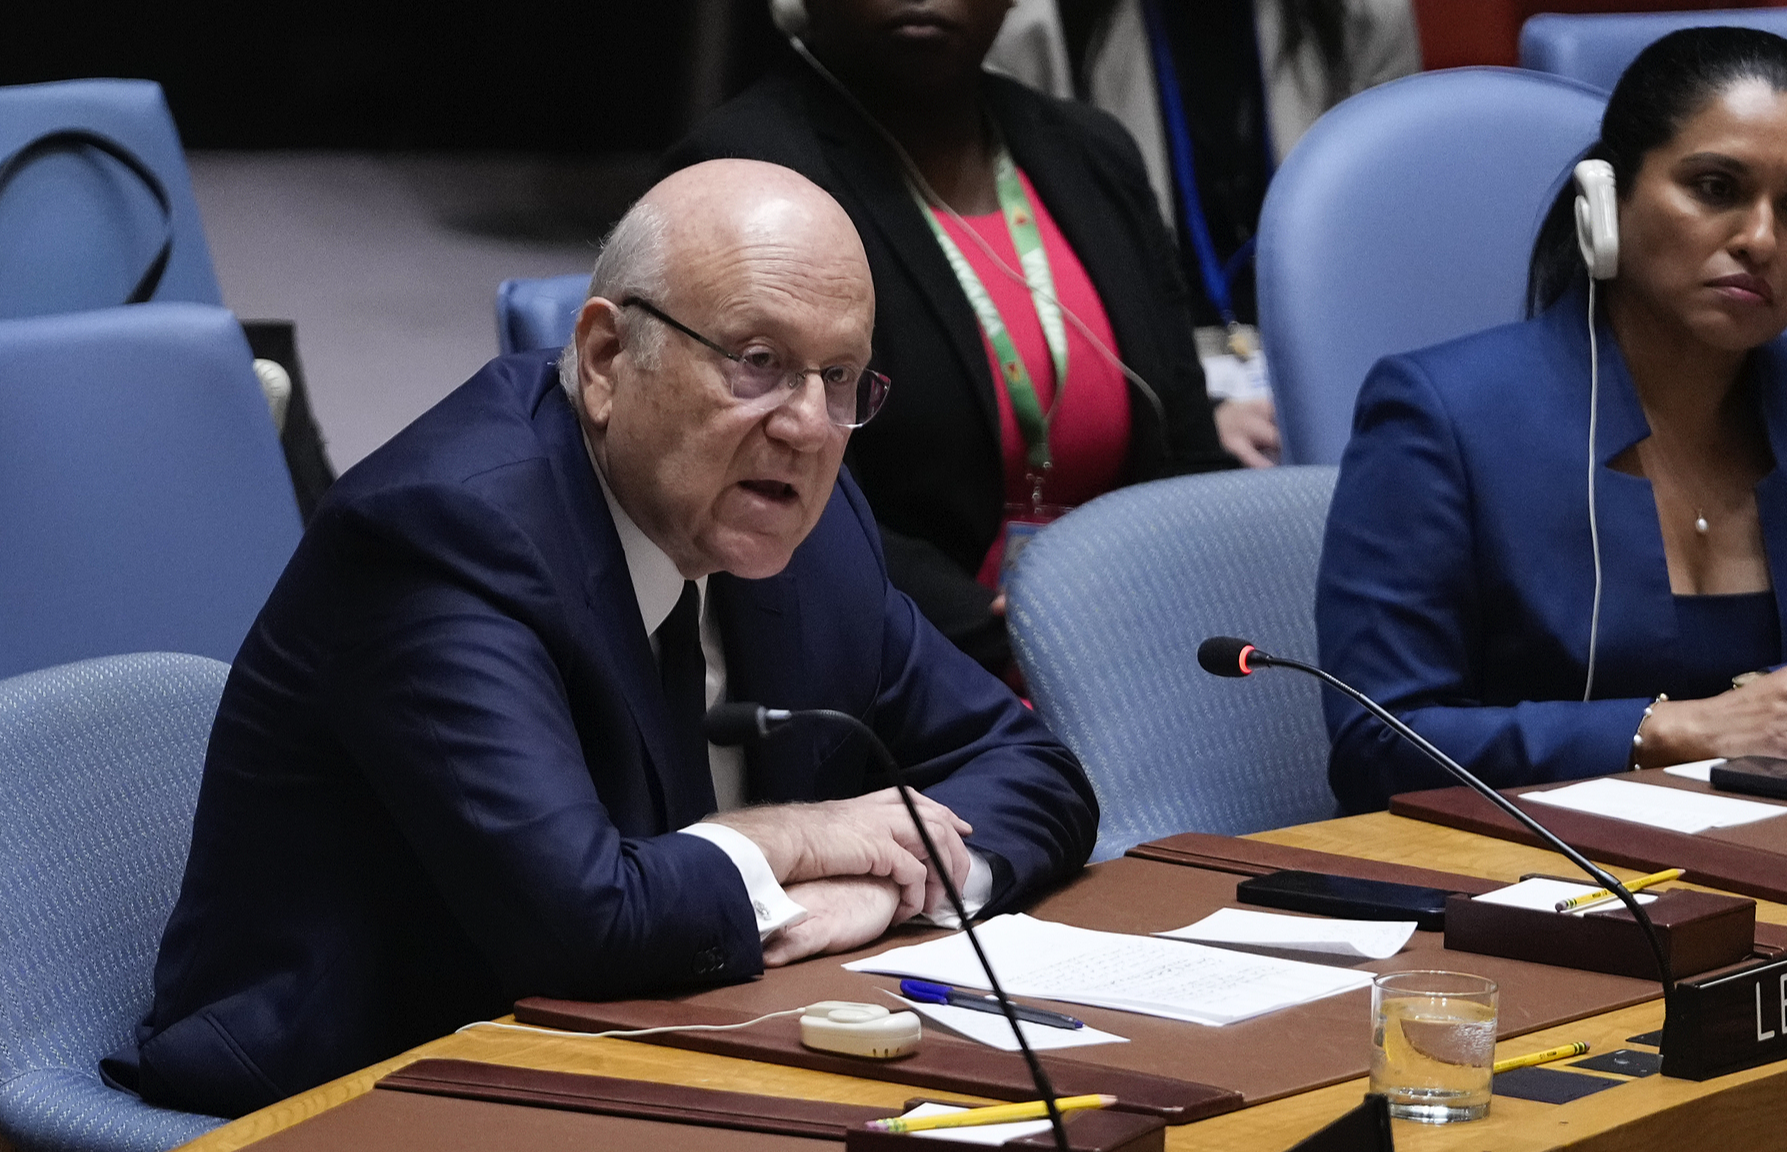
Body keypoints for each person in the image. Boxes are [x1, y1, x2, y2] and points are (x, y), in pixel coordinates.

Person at [105, 160, 1097, 1117]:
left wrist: (886, 891)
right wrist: (802, 836)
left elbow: (1033, 771)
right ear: (605, 358)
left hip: (685, 1040)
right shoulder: (440, 537)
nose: (804, 425)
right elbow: (575, 922)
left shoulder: (804, 524)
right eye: (757, 363)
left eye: (837, 378)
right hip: (370, 1081)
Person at [1317, 27, 1787, 814]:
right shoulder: (1443, 415)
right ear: (1607, 202)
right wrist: (1667, 732)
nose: (1761, 239)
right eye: (1715, 187)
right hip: (1533, 879)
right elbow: (1380, 740)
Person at [666, 0, 1237, 675]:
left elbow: (1190, 452)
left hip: (1133, 651)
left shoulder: (1093, 153)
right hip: (899, 667)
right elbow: (750, 488)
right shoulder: (740, 173)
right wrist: (1006, 630)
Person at [1078, 0, 1420, 457]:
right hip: (1152, 383)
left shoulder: (1366, 15)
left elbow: (1388, 248)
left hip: (1323, 367)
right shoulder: (1045, 31)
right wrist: (1195, 415)